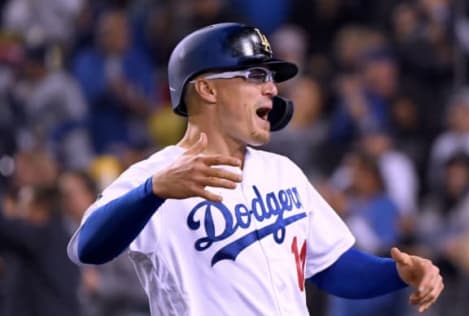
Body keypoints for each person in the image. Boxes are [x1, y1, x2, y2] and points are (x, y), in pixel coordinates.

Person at [67, 23, 443, 316]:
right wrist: (153, 191)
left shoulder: (283, 172)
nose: (273, 89)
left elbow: (332, 266)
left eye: (270, 78)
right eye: (255, 76)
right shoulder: (155, 176)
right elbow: (88, 247)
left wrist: (398, 274)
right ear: (207, 90)